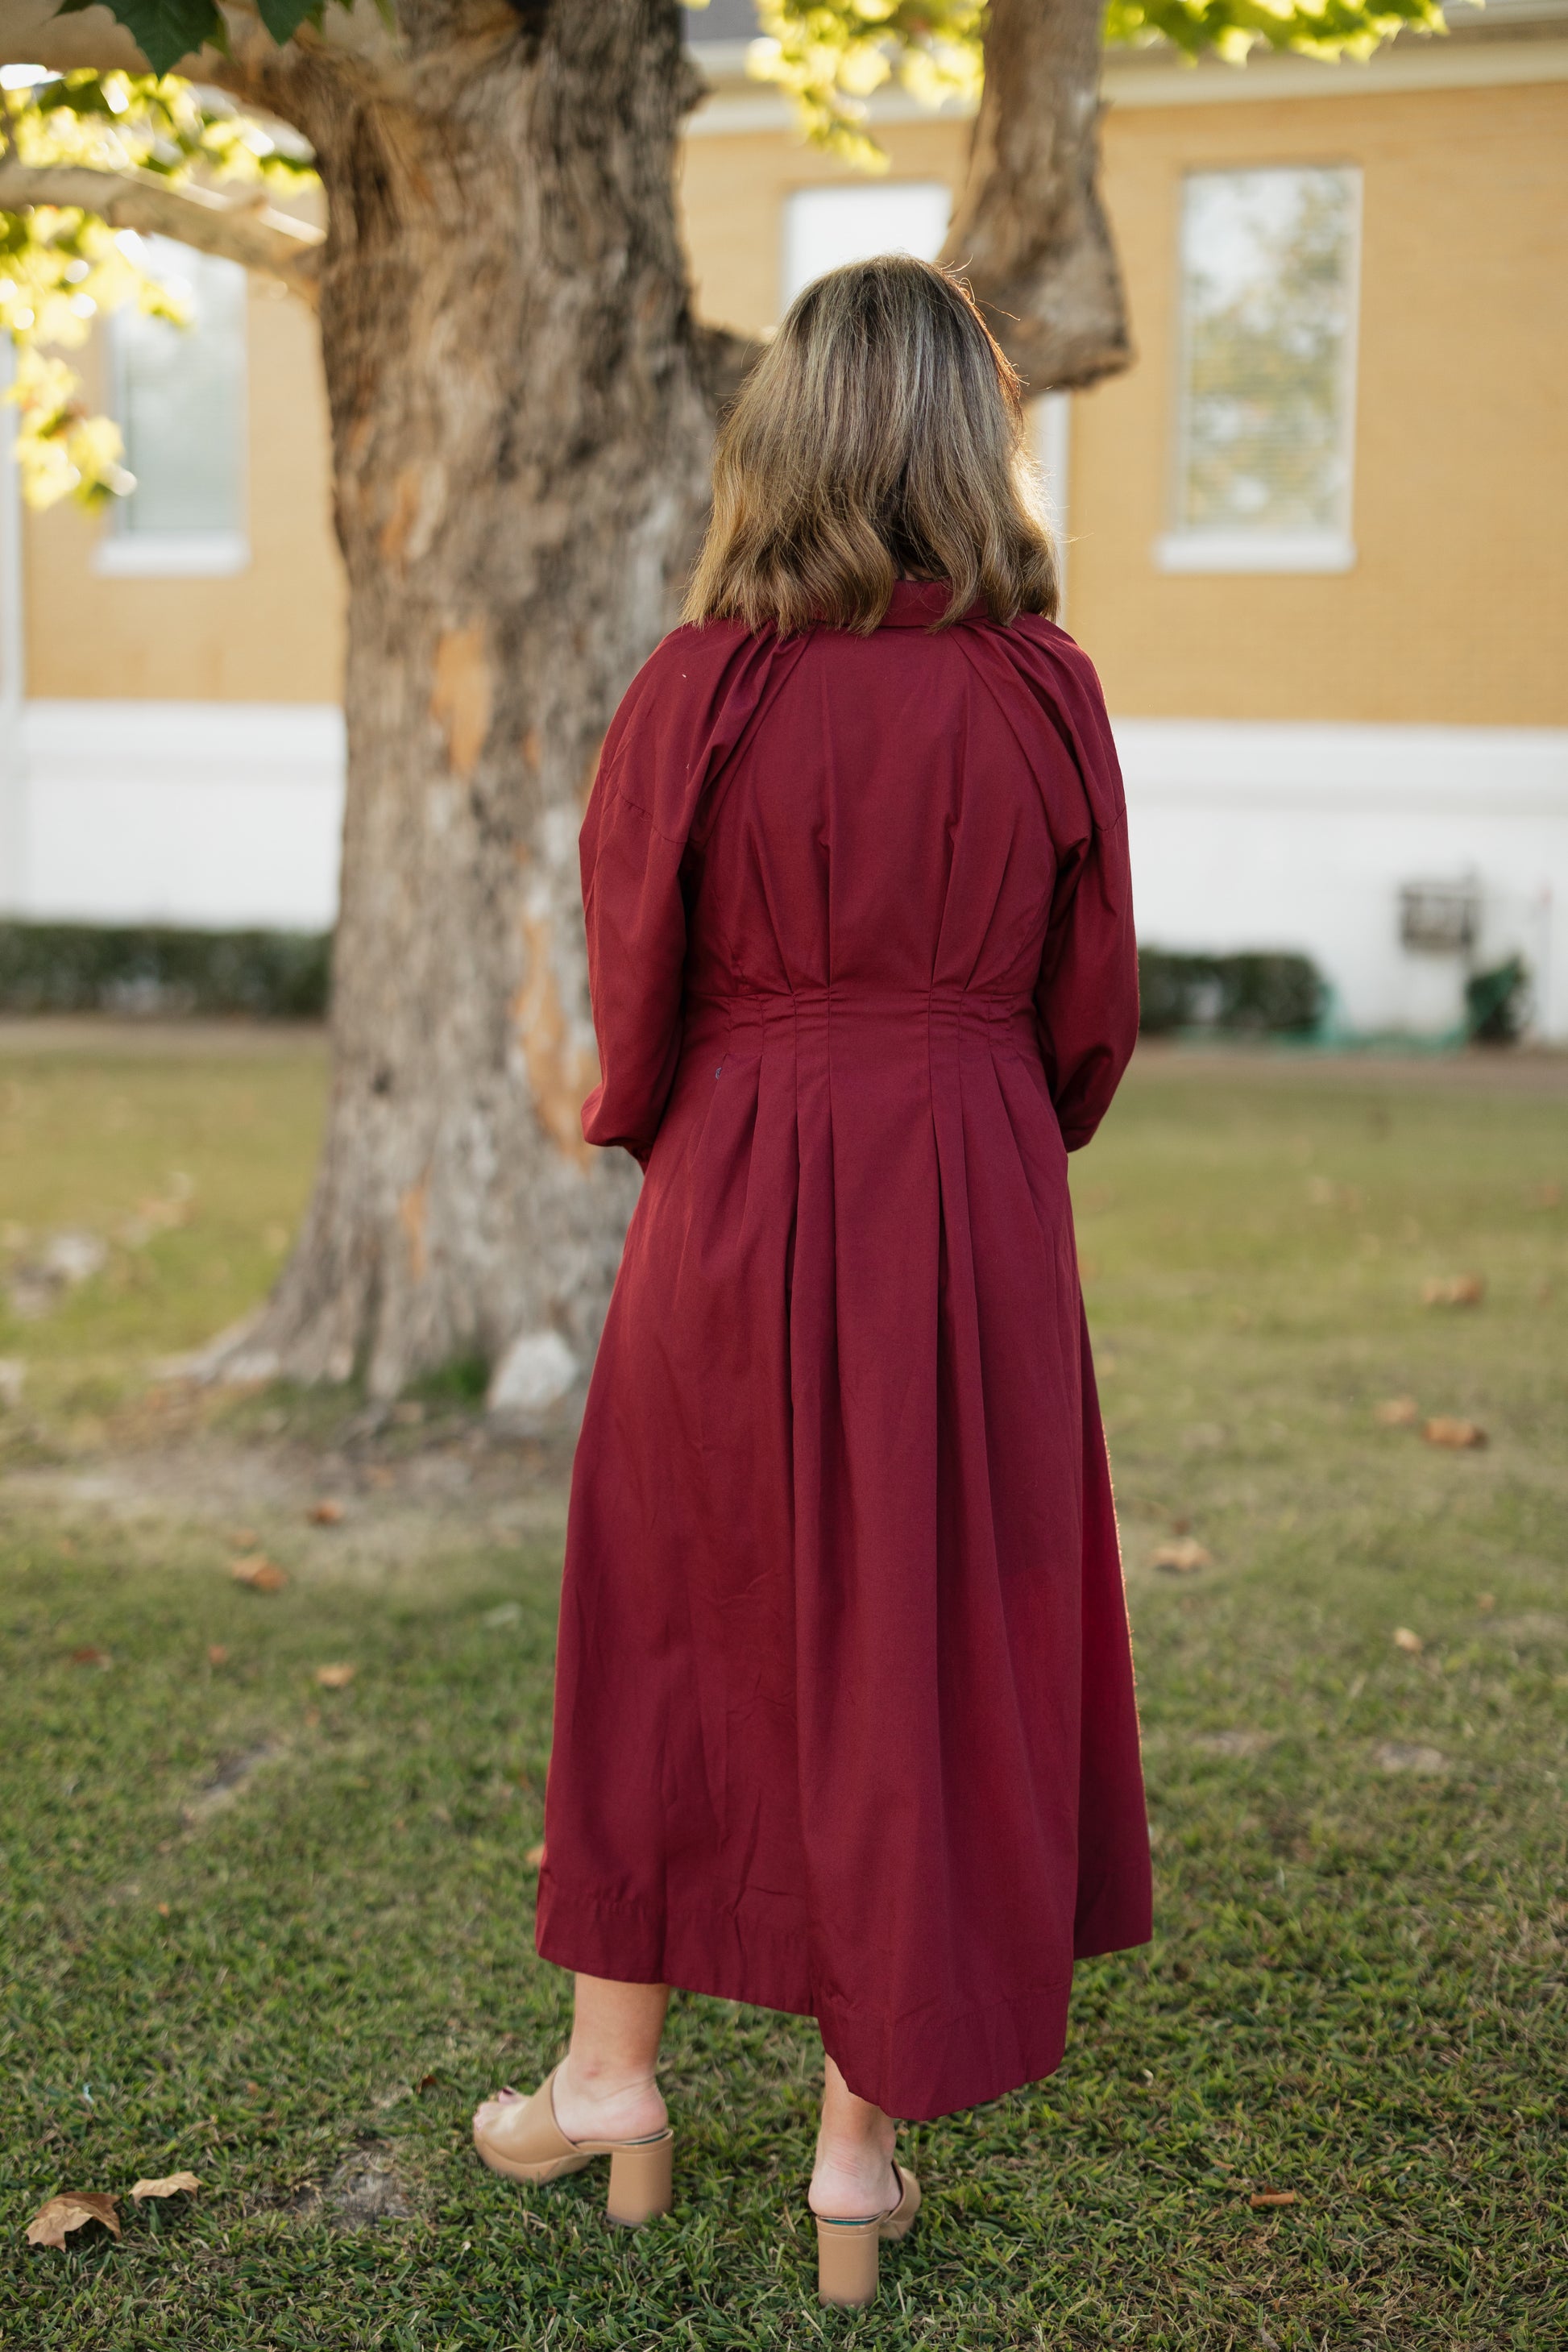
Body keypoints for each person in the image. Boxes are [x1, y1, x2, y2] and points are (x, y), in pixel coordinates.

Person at [472, 255, 1151, 2308]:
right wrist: (972, 1108)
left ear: (777, 436)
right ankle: (854, 2163)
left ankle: (611, 2084)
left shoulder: (699, 683)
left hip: (742, 1185)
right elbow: (1092, 1011)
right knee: (929, 1625)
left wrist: (699, 1111)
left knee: (677, 1607)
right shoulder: (1046, 687)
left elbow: (636, 990)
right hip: (970, 1180)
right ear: (977, 442)